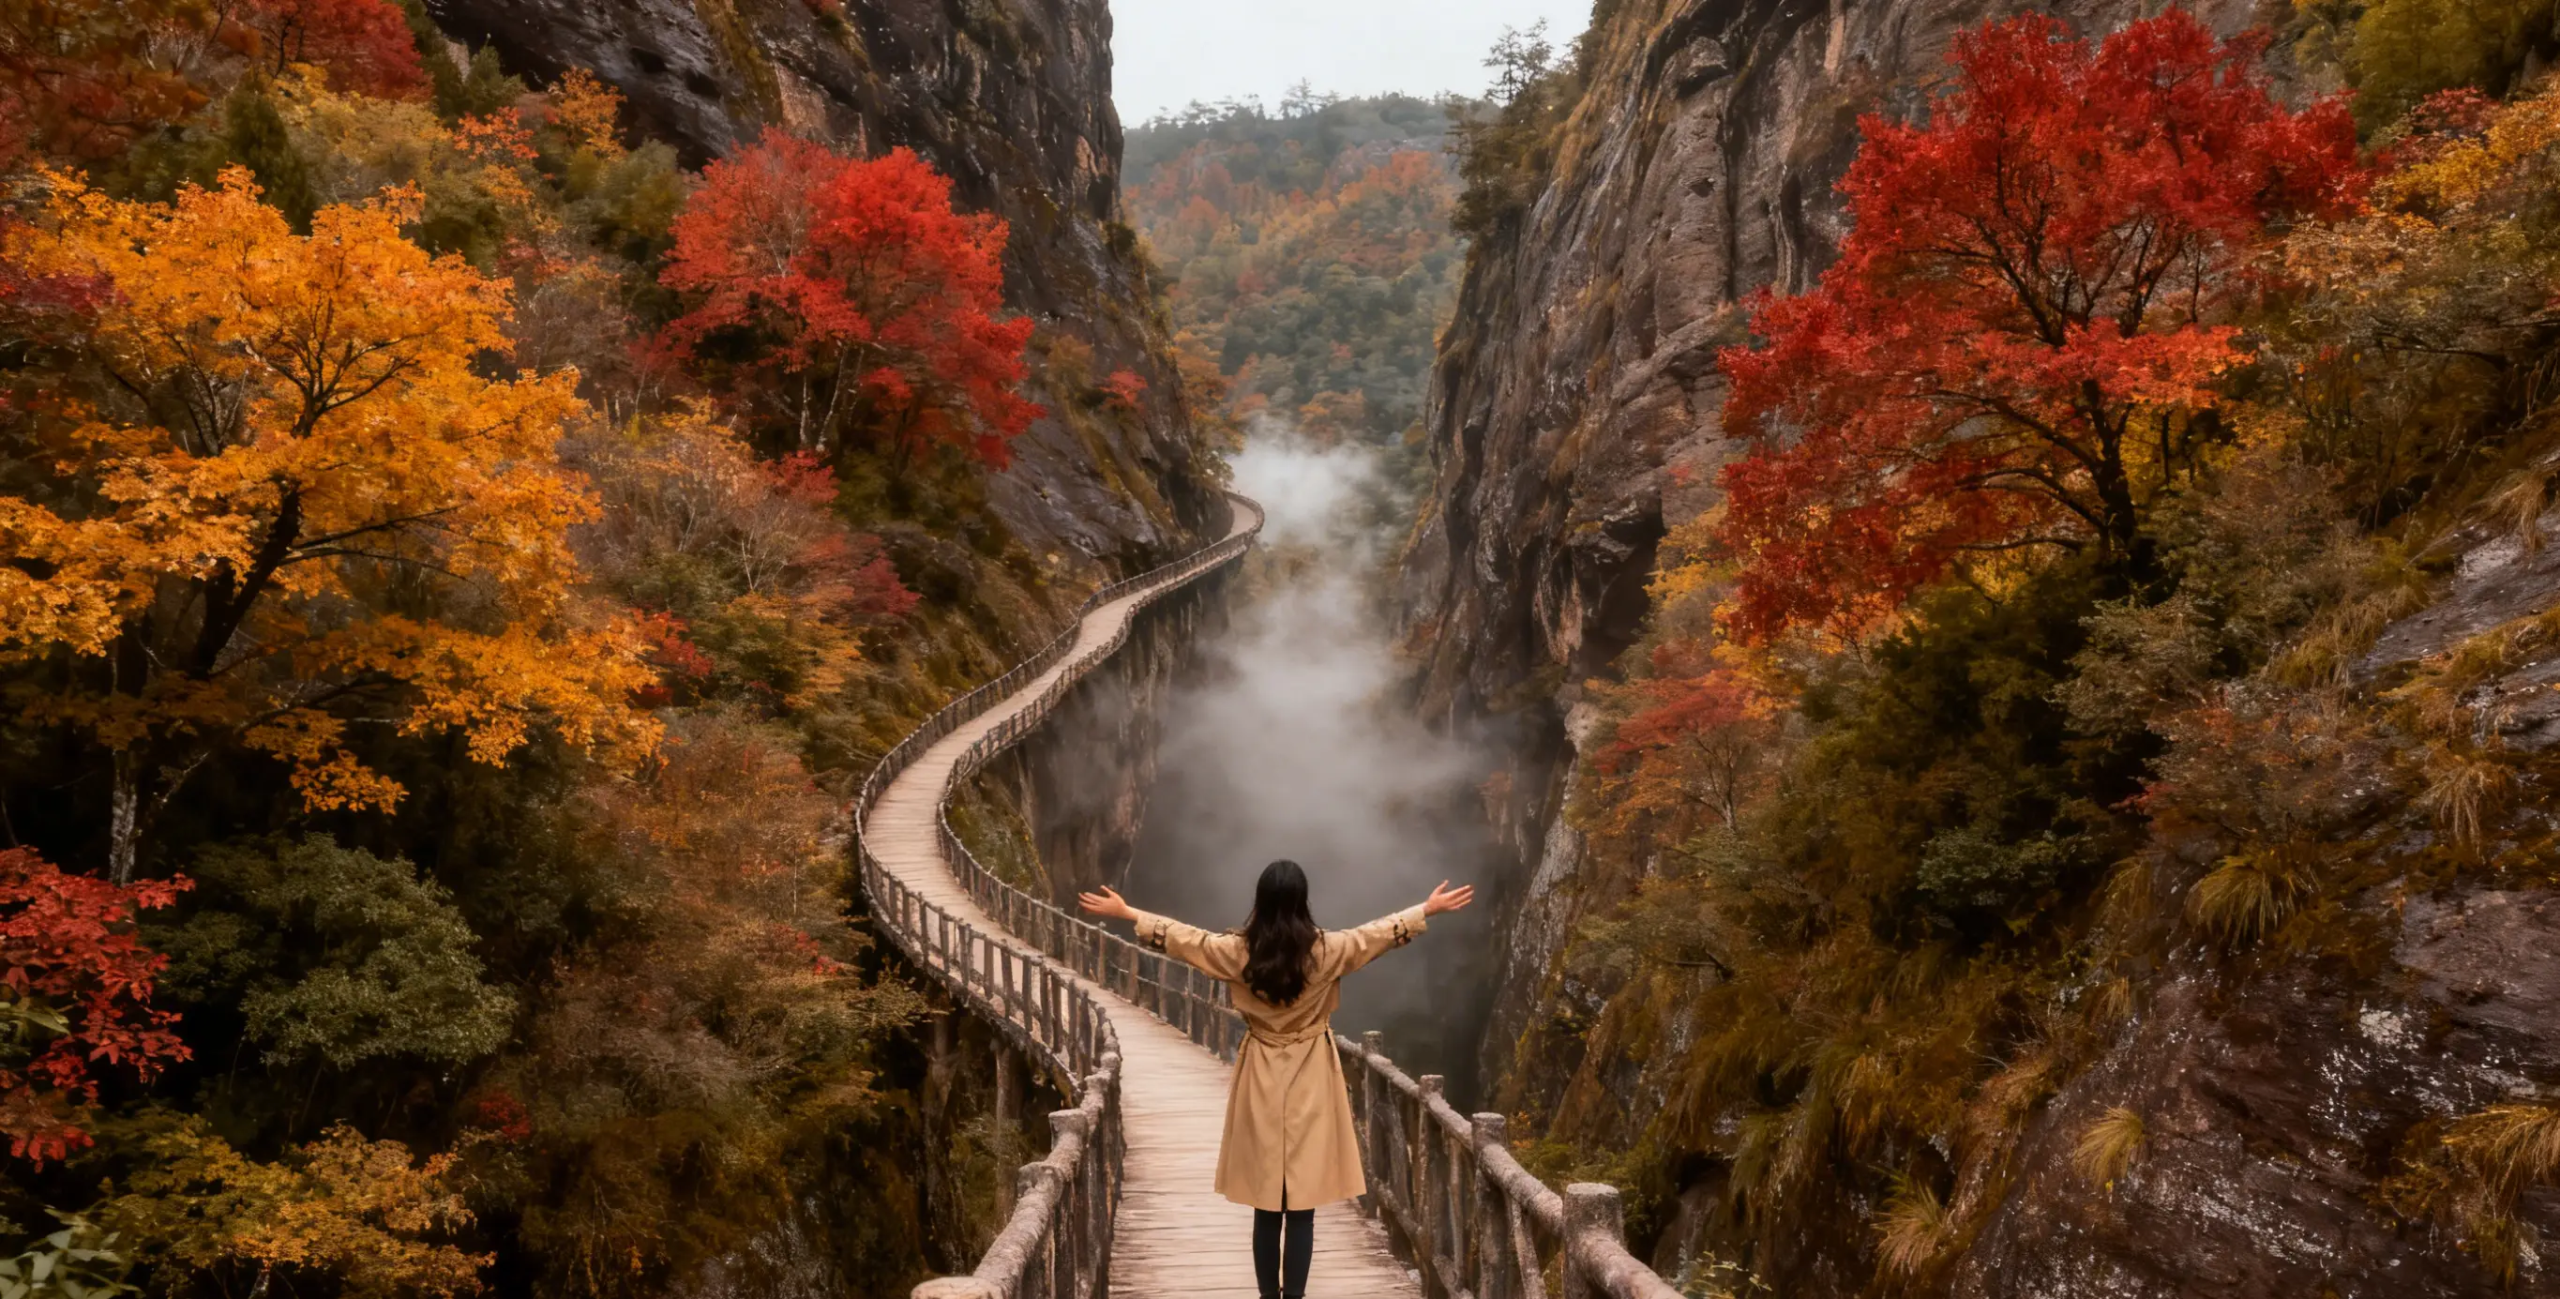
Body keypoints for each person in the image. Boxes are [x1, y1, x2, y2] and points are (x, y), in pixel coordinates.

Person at [1078, 861, 1474, 1299]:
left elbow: (1185, 939)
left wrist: (1129, 913)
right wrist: (1427, 909)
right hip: (1311, 1072)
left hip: (1261, 1071)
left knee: (1266, 1205)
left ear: (1261, 902)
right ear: (1303, 902)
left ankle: (1268, 1296)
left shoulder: (1237, 952)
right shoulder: (1327, 951)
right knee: (1302, 1208)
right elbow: (1374, 935)